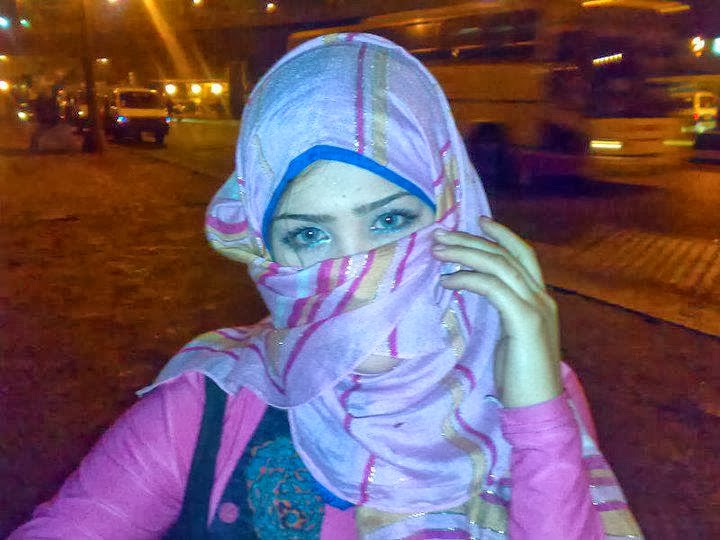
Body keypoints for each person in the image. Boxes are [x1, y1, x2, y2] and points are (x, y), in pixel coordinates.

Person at [10, 34, 643, 539]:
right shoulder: (208, 407)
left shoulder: (532, 387)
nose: (357, 274)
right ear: (267, 253)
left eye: (389, 222)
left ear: (454, 214)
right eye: (310, 235)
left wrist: (537, 414)